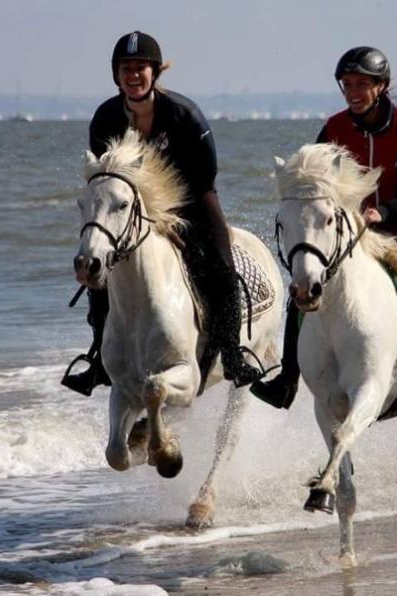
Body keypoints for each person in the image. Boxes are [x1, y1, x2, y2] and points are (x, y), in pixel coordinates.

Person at [251, 46, 397, 418]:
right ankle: (288, 378)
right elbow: (317, 182)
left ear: (382, 86)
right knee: (302, 293)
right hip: (350, 235)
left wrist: (386, 212)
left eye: (362, 84)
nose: (353, 92)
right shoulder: (333, 129)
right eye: (347, 84)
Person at [62, 31, 263, 396]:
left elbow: (205, 175)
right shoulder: (106, 117)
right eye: (126, 68)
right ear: (116, 74)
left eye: (140, 67)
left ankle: (232, 354)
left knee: (221, 267)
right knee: (100, 271)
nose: (133, 75)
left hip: (193, 203)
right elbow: (105, 180)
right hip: (132, 215)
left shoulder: (184, 114)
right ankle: (99, 359)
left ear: (154, 72)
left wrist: (169, 219)